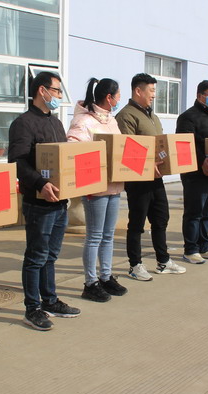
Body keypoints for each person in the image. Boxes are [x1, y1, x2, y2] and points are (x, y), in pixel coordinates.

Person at [8, 71, 81, 330]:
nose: (59, 96)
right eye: (57, 90)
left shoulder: (56, 123)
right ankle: (32, 308)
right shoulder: (23, 124)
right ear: (42, 90)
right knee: (36, 256)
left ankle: (50, 300)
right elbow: (17, 162)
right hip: (39, 203)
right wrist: (41, 183)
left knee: (50, 255)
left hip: (60, 202)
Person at [115, 73, 186, 280]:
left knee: (161, 218)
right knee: (137, 223)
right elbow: (126, 149)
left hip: (156, 178)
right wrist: (148, 165)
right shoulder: (126, 116)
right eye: (152, 90)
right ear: (138, 91)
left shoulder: (152, 116)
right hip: (138, 180)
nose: (154, 95)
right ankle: (135, 265)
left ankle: (163, 261)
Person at [67, 78, 128, 302]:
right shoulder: (83, 121)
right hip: (95, 188)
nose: (119, 99)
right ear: (109, 97)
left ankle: (106, 277)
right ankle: (90, 283)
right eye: (118, 95)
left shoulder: (111, 120)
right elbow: (73, 150)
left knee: (108, 235)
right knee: (94, 236)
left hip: (114, 185)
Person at [175, 80, 208, 264]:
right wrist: (201, 161)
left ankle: (204, 246)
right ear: (200, 96)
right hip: (196, 175)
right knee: (194, 212)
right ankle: (191, 249)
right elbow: (184, 145)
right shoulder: (188, 117)